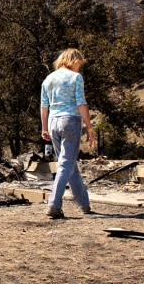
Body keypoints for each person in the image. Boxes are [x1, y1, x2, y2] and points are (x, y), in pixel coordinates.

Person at [40, 48, 94, 219]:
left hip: (53, 122)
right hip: (70, 120)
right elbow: (81, 103)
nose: (79, 67)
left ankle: (84, 204)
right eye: (79, 63)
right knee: (66, 164)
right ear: (73, 60)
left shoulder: (48, 79)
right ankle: (54, 204)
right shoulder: (75, 77)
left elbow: (44, 106)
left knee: (69, 163)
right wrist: (89, 127)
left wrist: (44, 128)